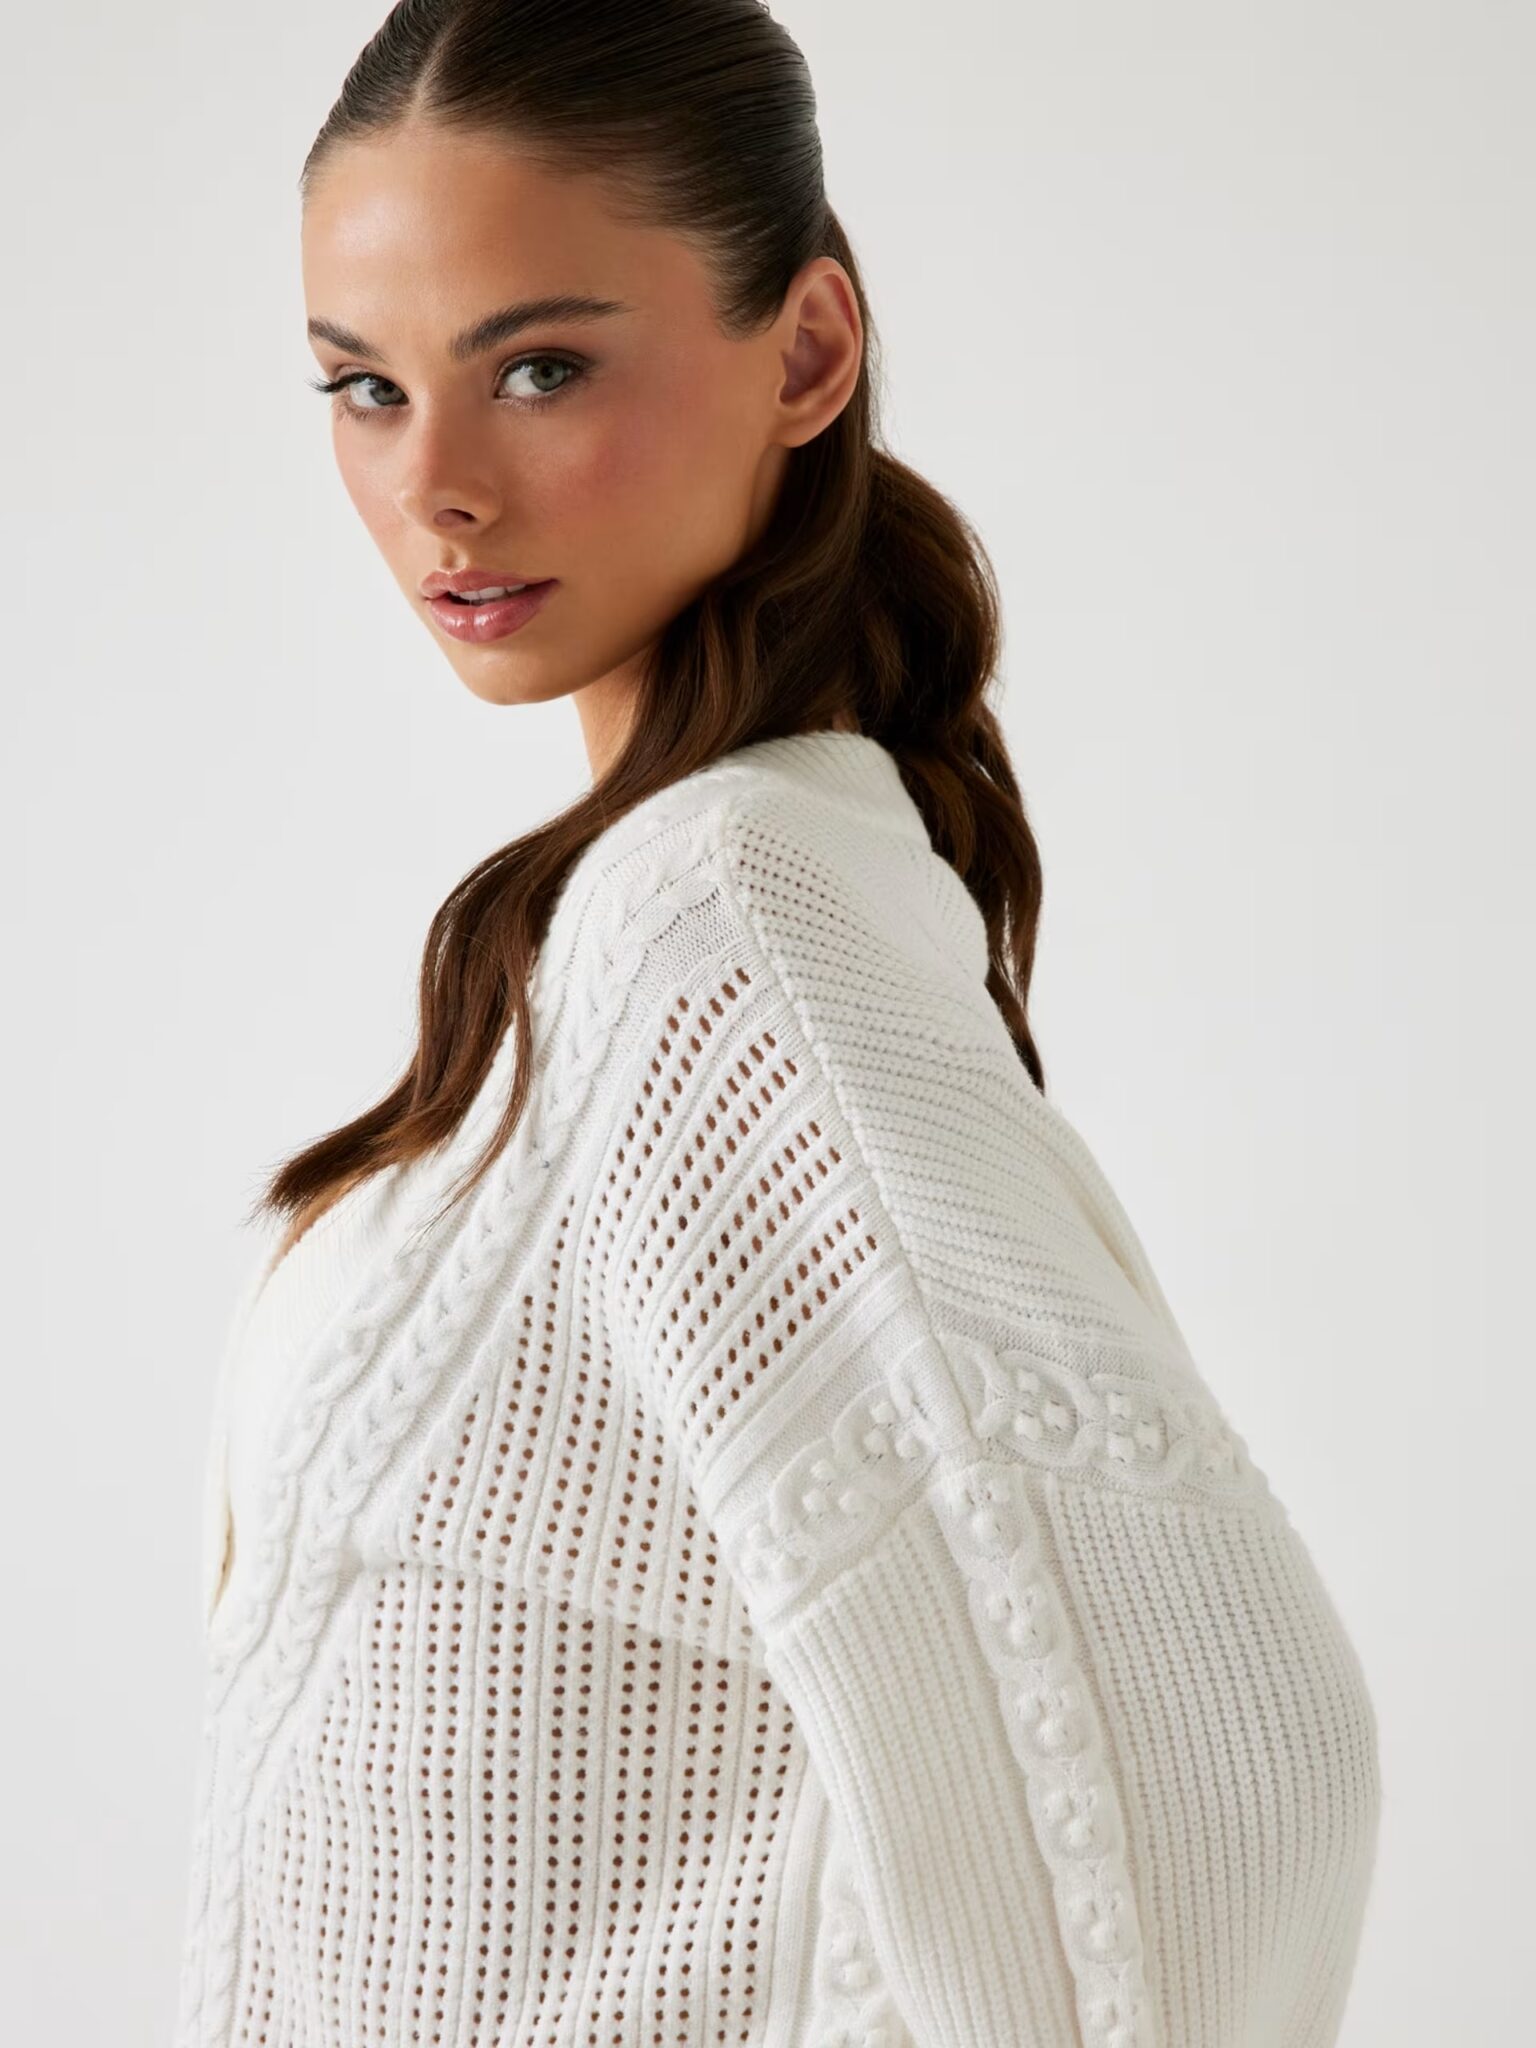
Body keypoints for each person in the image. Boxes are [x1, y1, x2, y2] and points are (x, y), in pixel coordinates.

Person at [172, 4, 1382, 2044]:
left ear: (809, 350)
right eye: (365, 388)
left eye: (539, 368)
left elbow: (1233, 1778)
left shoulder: (718, 926)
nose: (434, 485)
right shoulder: (676, 913)